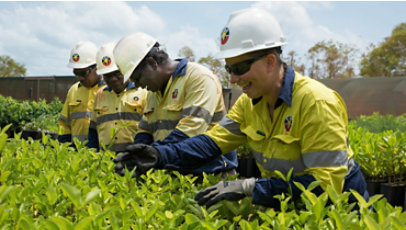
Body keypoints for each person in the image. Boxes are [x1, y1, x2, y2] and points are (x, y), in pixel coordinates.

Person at [112, 8, 369, 209]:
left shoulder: (316, 102)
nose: (232, 79)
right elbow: (210, 143)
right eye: (229, 69)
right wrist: (160, 156)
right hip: (288, 204)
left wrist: (251, 187)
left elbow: (325, 187)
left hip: (339, 211)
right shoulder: (248, 104)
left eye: (238, 69)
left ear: (270, 61)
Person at [113, 32, 238, 177]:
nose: (138, 85)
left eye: (137, 78)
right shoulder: (154, 93)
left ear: (152, 63)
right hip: (176, 173)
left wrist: (154, 154)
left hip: (209, 175)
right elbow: (145, 130)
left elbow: (189, 134)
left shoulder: (198, 78)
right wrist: (137, 152)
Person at [87, 42, 148, 152]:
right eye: (107, 75)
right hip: (105, 161)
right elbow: (93, 131)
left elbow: (150, 130)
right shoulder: (100, 94)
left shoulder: (143, 92)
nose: (113, 79)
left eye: (117, 73)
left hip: (134, 161)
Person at [58, 41, 105, 144]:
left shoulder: (109, 90)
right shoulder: (74, 90)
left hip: (101, 154)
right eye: (76, 73)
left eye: (84, 73)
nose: (80, 78)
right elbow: (64, 123)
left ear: (97, 66)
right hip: (77, 154)